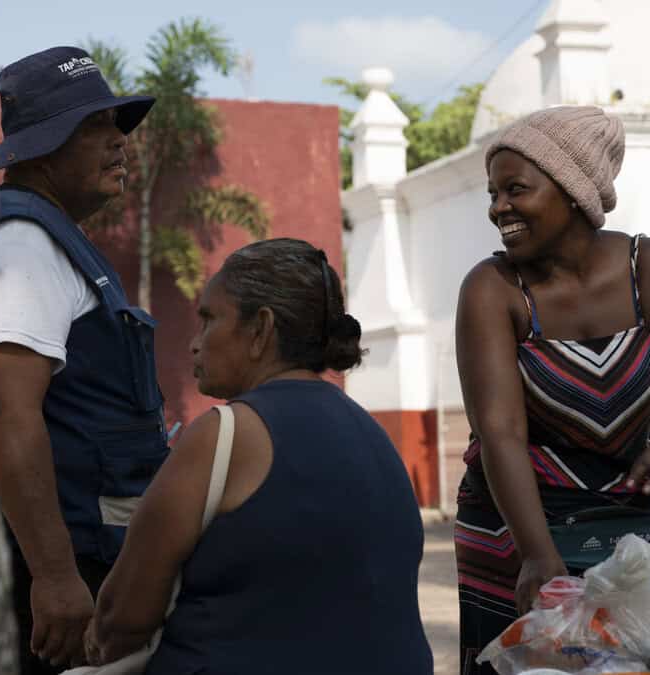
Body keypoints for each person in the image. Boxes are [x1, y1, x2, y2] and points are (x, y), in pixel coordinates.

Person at [454, 106, 650, 674]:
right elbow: (500, 433)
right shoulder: (493, 289)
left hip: (627, 532)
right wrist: (537, 555)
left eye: (515, 190)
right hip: (512, 528)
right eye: (493, 193)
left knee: (634, 662)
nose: (498, 209)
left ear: (572, 190)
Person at [81, 238, 434, 675]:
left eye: (209, 319)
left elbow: (121, 617)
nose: (195, 343)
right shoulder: (373, 433)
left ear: (260, 330)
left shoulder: (225, 434)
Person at [0, 46, 164, 674]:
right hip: (55, 564)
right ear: (43, 149)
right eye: (94, 129)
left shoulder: (52, 237)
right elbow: (6, 415)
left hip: (91, 549)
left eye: (118, 127)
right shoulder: (23, 242)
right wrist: (53, 576)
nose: (119, 144)